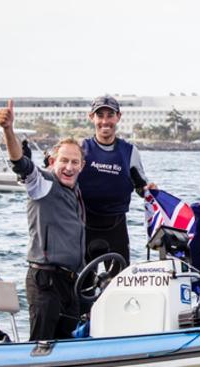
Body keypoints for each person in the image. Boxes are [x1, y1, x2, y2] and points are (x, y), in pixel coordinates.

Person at [0, 100, 86, 341]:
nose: (69, 166)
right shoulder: (42, 184)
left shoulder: (76, 191)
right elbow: (20, 164)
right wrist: (8, 130)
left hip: (71, 284)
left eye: (74, 162)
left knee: (69, 348)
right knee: (42, 346)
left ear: (82, 166)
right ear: (52, 162)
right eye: (63, 161)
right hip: (45, 281)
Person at [78, 95, 155, 269]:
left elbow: (141, 187)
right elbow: (59, 174)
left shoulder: (129, 151)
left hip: (116, 229)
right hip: (84, 227)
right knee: (84, 288)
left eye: (110, 115)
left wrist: (149, 190)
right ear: (92, 117)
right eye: (100, 115)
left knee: (119, 285)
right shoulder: (81, 148)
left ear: (118, 117)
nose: (105, 121)